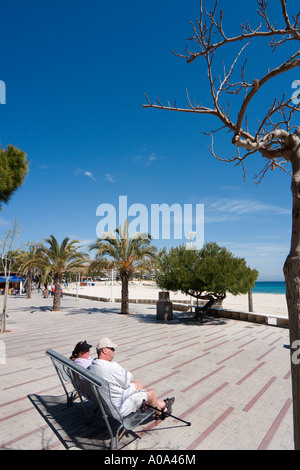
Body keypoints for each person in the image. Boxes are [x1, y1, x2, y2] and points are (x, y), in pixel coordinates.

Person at [89, 337, 175, 420]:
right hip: (120, 408)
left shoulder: (93, 365)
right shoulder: (111, 367)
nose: (114, 351)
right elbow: (130, 379)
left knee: (141, 388)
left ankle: (160, 406)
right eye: (112, 349)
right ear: (105, 350)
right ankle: (161, 411)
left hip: (110, 402)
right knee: (151, 393)